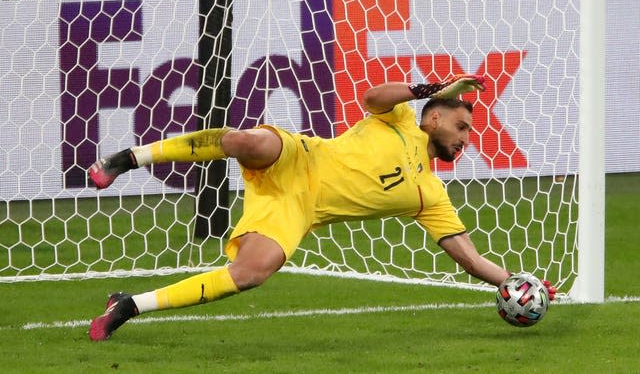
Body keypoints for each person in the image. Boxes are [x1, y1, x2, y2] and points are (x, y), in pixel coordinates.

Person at [88, 74, 556, 341]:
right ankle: (127, 158)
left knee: (251, 274)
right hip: (299, 154)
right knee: (242, 140)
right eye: (461, 126)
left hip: (297, 208)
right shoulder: (398, 122)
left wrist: (520, 285)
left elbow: (469, 258)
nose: (466, 138)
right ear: (434, 118)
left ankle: (128, 305)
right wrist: (421, 88)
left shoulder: (430, 195)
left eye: (469, 132)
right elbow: (371, 97)